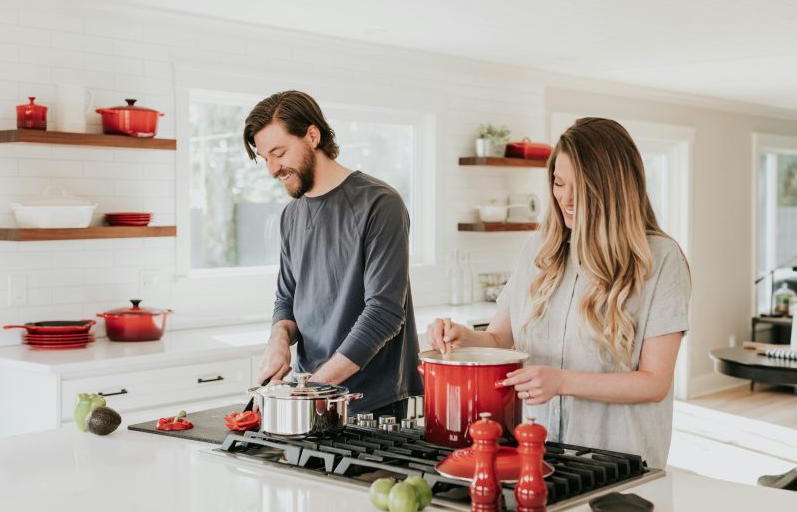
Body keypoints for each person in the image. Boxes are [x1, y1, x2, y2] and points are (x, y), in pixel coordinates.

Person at [428, 117, 690, 468]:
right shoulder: (539, 249)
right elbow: (500, 339)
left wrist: (563, 382)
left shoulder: (660, 259)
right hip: (536, 454)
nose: (565, 198)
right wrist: (465, 338)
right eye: (558, 183)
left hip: (617, 462)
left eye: (578, 187)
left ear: (612, 188)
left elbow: (654, 382)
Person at [243, 90, 422, 419]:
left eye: (278, 153)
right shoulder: (291, 215)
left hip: (373, 404)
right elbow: (287, 299)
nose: (272, 169)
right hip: (309, 393)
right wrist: (278, 340)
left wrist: (310, 391)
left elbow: (384, 313)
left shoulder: (380, 203)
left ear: (312, 135)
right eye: (264, 157)